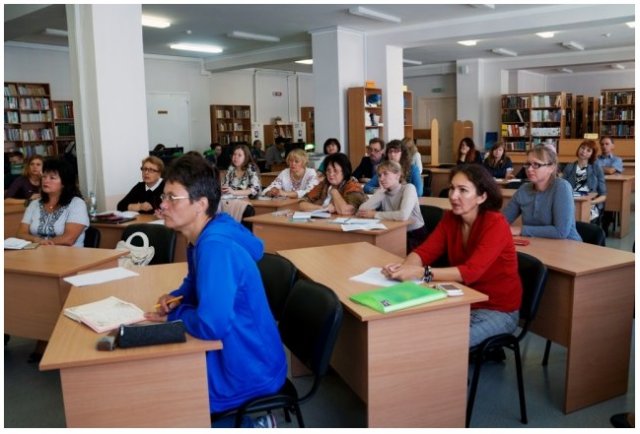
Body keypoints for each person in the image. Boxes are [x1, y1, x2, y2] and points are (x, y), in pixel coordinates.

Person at [145, 154, 286, 427]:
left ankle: (254, 423)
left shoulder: (215, 246)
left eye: (172, 198)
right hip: (243, 351)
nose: (162, 205)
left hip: (250, 366)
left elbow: (211, 326)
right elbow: (194, 281)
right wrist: (177, 297)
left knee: (170, 396)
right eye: (164, 196)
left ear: (200, 204)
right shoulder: (201, 234)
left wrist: (174, 316)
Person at [382, 164, 522, 347]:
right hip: (461, 298)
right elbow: (424, 252)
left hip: (496, 308)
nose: (453, 196)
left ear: (482, 197)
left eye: (463, 190)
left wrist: (419, 272)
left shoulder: (495, 224)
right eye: (452, 188)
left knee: (443, 344)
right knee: (412, 330)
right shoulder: (451, 218)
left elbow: (471, 272)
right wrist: (404, 268)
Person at [502, 145, 581, 241]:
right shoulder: (523, 189)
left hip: (568, 245)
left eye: (536, 165)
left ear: (551, 168)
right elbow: (503, 221)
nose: (529, 169)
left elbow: (560, 232)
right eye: (528, 164)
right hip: (537, 243)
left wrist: (521, 229)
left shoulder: (561, 187)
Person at [357, 160, 427, 253]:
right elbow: (362, 210)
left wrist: (375, 214)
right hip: (392, 232)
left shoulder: (409, 188)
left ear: (397, 175)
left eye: (385, 174)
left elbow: (403, 216)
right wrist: (380, 192)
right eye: (379, 175)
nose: (381, 179)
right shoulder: (383, 193)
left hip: (413, 236)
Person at [17, 157, 89, 247]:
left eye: (52, 178)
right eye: (44, 176)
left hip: (69, 254)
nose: (46, 180)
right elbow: (21, 233)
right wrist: (37, 240)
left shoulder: (77, 204)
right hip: (38, 253)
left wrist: (42, 243)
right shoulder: (34, 204)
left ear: (64, 183)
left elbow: (69, 239)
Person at [300, 152, 366, 215]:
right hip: (323, 219)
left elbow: (345, 211)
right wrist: (322, 208)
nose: (331, 174)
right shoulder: (325, 183)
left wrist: (334, 191)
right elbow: (301, 203)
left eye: (335, 171)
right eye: (328, 170)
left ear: (344, 171)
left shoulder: (352, 186)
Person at [561, 139, 607, 224]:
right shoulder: (570, 167)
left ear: (592, 154)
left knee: (585, 219)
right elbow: (562, 189)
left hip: (590, 204)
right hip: (571, 202)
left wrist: (589, 202)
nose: (584, 151)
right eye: (582, 148)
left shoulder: (596, 168)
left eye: (588, 150)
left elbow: (603, 196)